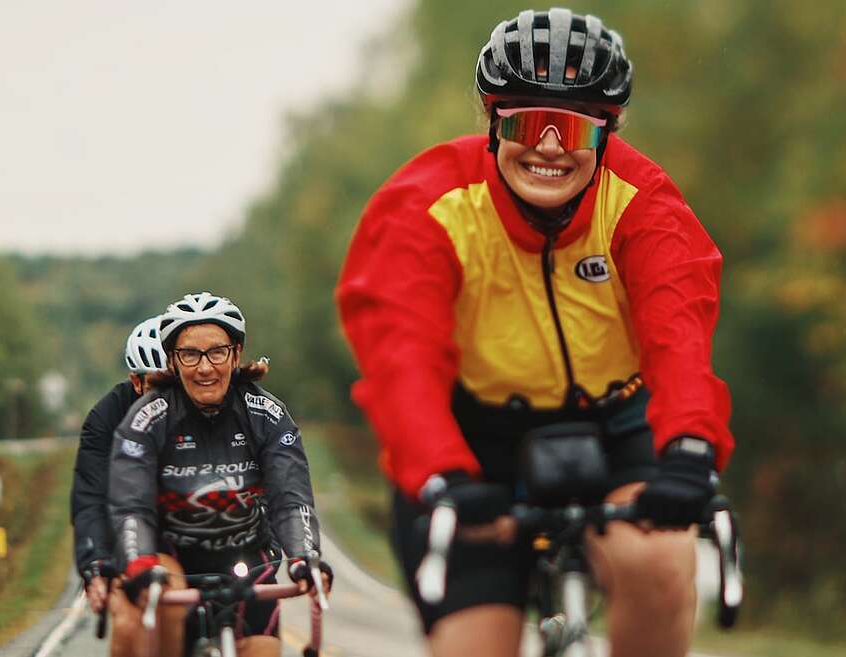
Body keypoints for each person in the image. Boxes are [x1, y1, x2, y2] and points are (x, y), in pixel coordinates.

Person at [336, 8, 733, 657]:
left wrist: (689, 444)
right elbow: (399, 358)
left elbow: (678, 333)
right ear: (491, 122)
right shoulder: (428, 203)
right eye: (524, 121)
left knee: (659, 561)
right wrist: (440, 473)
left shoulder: (641, 201)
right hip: (471, 439)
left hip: (615, 424)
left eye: (572, 125)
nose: (548, 145)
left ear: (608, 131)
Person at [107, 292, 331, 657]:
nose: (205, 367)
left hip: (246, 560)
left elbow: (290, 498)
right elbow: (131, 504)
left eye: (217, 352)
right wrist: (139, 563)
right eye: (190, 354)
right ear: (173, 361)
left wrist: (306, 558)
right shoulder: (148, 417)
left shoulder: (266, 414)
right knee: (156, 610)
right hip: (171, 559)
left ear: (236, 353)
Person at [71, 315, 167, 614]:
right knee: (130, 621)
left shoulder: (204, 403)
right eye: (155, 385)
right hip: (132, 533)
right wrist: (95, 561)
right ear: (135, 381)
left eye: (173, 384)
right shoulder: (106, 416)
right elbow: (91, 497)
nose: (167, 397)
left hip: (199, 534)